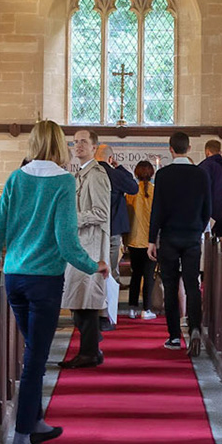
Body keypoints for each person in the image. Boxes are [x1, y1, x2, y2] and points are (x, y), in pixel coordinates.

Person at [0, 120, 106, 444]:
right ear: (57, 146)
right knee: (35, 361)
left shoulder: (16, 178)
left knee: (32, 351)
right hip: (44, 282)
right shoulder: (63, 182)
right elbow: (67, 242)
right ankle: (21, 441)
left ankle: (34, 420)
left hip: (15, 278)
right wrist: (93, 265)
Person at [146, 132, 210, 350]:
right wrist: (197, 230)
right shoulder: (201, 174)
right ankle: (194, 328)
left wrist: (151, 239)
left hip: (170, 237)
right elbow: (207, 209)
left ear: (170, 149)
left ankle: (174, 336)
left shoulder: (163, 175)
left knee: (171, 286)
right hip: (192, 236)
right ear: (189, 148)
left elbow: (157, 210)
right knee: (192, 285)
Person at [58, 126, 114, 367]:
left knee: (85, 299)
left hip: (90, 244)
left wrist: (72, 219)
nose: (77, 145)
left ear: (94, 147)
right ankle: (90, 350)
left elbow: (101, 213)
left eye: (83, 142)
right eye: (75, 142)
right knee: (80, 299)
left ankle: (90, 352)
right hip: (79, 243)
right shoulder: (80, 173)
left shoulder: (97, 174)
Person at [102, 151, 141, 318]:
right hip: (112, 227)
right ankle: (109, 311)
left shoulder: (87, 173)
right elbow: (133, 188)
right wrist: (120, 168)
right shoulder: (114, 173)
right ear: (110, 159)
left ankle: (97, 309)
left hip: (93, 229)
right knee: (109, 270)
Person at [125, 160, 156, 318]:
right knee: (149, 276)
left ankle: (132, 308)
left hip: (134, 239)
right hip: (150, 241)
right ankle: (147, 309)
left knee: (135, 275)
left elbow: (127, 216)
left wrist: (125, 240)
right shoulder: (155, 191)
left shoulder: (131, 191)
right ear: (151, 173)